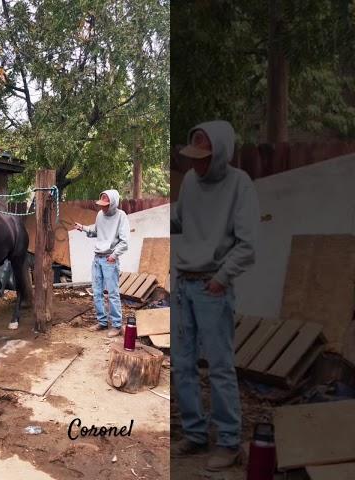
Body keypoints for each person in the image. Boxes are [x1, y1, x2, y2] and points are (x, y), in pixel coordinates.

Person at [171, 121, 259, 470]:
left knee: (220, 368)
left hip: (212, 286)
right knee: (182, 364)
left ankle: (228, 442)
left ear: (221, 153)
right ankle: (194, 434)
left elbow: (248, 245)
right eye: (192, 156)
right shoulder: (191, 181)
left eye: (203, 157)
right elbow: (180, 219)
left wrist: (221, 279)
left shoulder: (240, 185)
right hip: (184, 285)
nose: (195, 164)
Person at [75, 190, 130, 338]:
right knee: (97, 292)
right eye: (101, 205)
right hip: (97, 258)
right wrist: (83, 228)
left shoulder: (121, 216)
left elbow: (125, 242)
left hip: (109, 259)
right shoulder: (100, 215)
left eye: (106, 205)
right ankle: (102, 322)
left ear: (113, 203)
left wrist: (113, 255)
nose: (103, 208)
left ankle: (117, 325)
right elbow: (95, 231)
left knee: (112, 293)